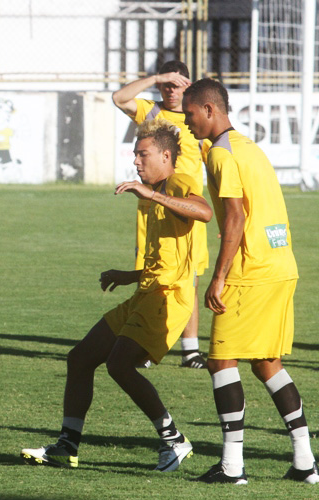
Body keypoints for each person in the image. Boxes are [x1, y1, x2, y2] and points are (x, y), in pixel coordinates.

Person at [21, 119, 212, 472]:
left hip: (167, 298)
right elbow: (167, 259)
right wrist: (128, 276)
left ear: (166, 156)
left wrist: (152, 195)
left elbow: (204, 211)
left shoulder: (177, 182)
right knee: (80, 358)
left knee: (119, 365)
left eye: (143, 154)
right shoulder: (156, 191)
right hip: (146, 292)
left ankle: (173, 439)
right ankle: (66, 446)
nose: (136, 161)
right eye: (135, 154)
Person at [182, 78, 319, 484]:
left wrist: (219, 277)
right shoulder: (248, 147)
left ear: (210, 110)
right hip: (281, 264)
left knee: (221, 361)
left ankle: (232, 466)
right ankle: (305, 462)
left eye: (190, 113)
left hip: (251, 271)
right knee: (266, 363)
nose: (187, 122)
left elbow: (236, 217)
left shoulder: (222, 154)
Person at [112, 61, 208, 369]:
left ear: (188, 86)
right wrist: (155, 77)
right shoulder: (152, 112)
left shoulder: (198, 122)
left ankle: (190, 351)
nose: (171, 91)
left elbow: (215, 168)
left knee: (189, 279)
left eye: (176, 85)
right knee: (150, 274)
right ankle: (143, 342)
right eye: (166, 85)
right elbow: (119, 98)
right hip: (152, 208)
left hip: (188, 208)